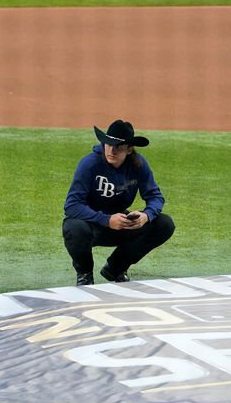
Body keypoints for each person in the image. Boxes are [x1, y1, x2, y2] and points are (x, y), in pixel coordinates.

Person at [63, 119, 175, 286]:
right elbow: (71, 205)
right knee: (74, 227)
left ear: (129, 149)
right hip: (91, 225)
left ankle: (116, 267)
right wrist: (106, 220)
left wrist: (146, 215)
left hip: (121, 224)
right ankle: (85, 275)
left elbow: (155, 197)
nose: (111, 150)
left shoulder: (139, 165)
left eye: (118, 146)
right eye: (108, 144)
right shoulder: (89, 164)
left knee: (164, 224)